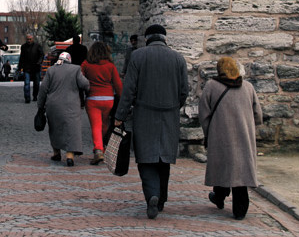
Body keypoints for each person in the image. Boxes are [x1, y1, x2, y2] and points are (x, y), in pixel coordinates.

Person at [114, 24, 189, 219]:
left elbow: (129, 90)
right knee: (164, 159)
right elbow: (184, 91)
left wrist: (120, 116)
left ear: (147, 38)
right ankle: (161, 198)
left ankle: (152, 195)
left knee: (146, 159)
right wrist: (174, 106)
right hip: (169, 116)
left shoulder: (138, 56)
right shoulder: (178, 58)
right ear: (164, 38)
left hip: (144, 115)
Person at [199, 56, 263, 220]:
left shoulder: (211, 86)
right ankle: (240, 210)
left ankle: (219, 196)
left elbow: (204, 113)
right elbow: (258, 114)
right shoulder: (248, 87)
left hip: (220, 135)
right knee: (240, 171)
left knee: (223, 166)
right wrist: (248, 126)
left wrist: (209, 132)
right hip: (243, 136)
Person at [37, 51, 90, 167]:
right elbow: (85, 84)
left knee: (55, 129)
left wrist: (40, 106)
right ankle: (70, 156)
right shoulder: (76, 69)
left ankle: (56, 153)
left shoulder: (51, 70)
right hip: (71, 106)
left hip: (53, 105)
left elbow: (43, 89)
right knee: (72, 129)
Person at [81, 41, 123, 165]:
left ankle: (98, 150)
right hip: (108, 99)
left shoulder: (86, 64)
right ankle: (103, 148)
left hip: (93, 98)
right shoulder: (110, 66)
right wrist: (122, 100)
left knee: (96, 125)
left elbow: (80, 81)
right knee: (105, 124)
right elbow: (118, 85)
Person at [18, 34, 44, 103]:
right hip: (27, 68)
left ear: (33, 39)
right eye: (28, 39)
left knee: (36, 84)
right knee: (27, 83)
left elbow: (41, 55)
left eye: (30, 39)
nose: (29, 41)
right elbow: (22, 57)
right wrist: (20, 67)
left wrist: (39, 62)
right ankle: (27, 98)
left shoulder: (37, 46)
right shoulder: (23, 47)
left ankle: (35, 96)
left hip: (36, 67)